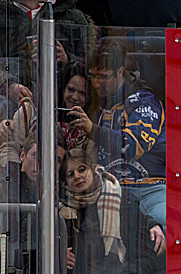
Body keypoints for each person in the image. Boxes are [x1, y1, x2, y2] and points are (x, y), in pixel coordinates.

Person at [66, 41, 167, 230]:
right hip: (109, 186)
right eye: (93, 76)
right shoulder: (94, 102)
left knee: (163, 223)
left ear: (120, 72)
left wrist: (92, 129)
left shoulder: (144, 101)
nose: (96, 83)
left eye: (103, 77)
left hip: (150, 186)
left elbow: (133, 147)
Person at [0, 0, 94, 127]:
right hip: (11, 99)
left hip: (62, 96)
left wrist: (66, 60)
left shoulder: (75, 19)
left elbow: (90, 66)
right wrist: (10, 86)